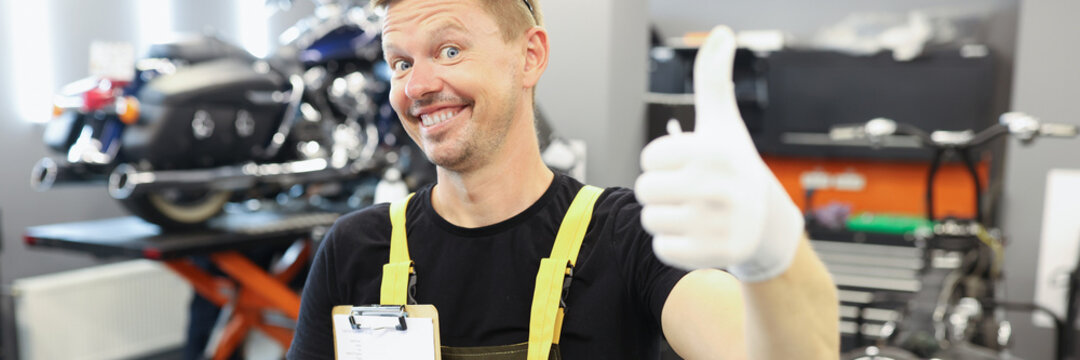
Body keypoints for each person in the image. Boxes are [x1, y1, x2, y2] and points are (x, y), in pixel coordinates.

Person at [287, 0, 840, 358]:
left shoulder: (630, 238)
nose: (418, 85)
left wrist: (775, 254)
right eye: (401, 62)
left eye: (449, 50)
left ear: (530, 57)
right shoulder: (356, 249)